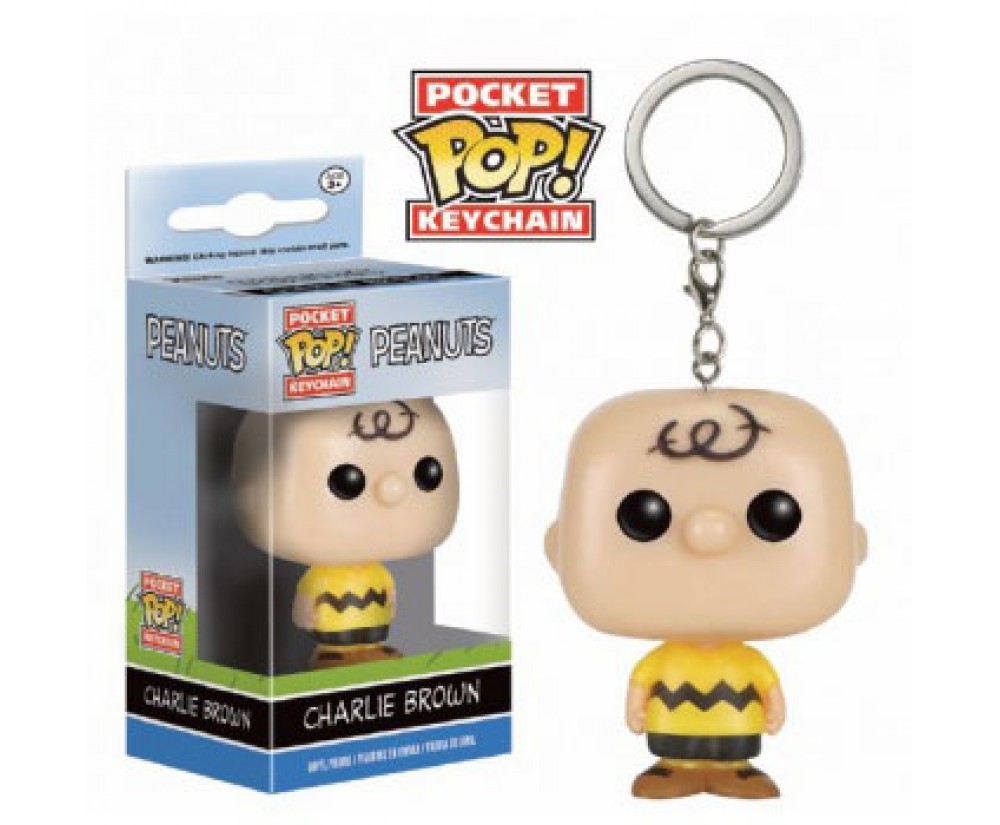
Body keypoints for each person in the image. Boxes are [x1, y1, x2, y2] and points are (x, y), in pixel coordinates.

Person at [545, 389, 866, 798]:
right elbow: (642, 684)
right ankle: (674, 768)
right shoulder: (667, 661)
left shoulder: (744, 662)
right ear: (559, 547)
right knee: (674, 751)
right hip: (672, 728)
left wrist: (774, 708)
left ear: (852, 545)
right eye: (643, 517)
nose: (708, 533)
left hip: (736, 730)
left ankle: (734, 769)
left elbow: (768, 688)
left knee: (734, 750)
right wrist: (636, 707)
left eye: (774, 516)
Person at [232, 399, 459, 668]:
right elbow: (306, 602)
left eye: (427, 474)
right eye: (347, 481)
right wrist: (304, 616)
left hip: (374, 625)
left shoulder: (377, 572)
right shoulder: (321, 576)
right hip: (332, 632)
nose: (393, 490)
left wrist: (391, 604)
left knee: (373, 639)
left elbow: (389, 595)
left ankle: (372, 648)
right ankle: (334, 653)